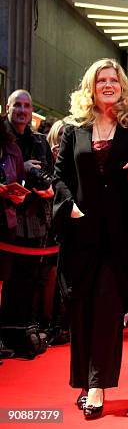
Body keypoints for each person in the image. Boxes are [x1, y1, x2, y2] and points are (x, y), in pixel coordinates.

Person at [53, 59, 128, 419]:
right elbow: (58, 175)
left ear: (122, 86)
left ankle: (97, 386)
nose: (108, 84)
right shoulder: (73, 129)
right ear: (91, 87)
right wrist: (70, 206)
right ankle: (83, 380)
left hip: (119, 237)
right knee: (83, 311)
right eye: (101, 80)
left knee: (109, 310)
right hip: (80, 235)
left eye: (114, 79)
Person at [1, 90, 54, 330]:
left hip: (34, 221)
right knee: (7, 280)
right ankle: (6, 331)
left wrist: (49, 188)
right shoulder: (2, 139)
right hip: (6, 220)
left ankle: (23, 330)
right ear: (8, 108)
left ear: (32, 112)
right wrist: (22, 169)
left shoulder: (39, 141)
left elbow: (51, 176)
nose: (22, 111)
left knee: (30, 279)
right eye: (17, 106)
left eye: (27, 106)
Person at [0, 116, 25, 361]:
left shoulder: (12, 149)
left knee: (0, 283)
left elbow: (18, 180)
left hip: (5, 222)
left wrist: (16, 194)